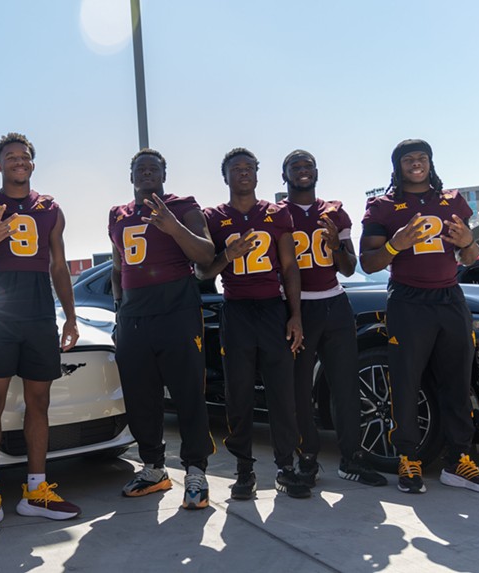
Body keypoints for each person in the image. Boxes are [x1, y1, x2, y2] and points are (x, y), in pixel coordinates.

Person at [360, 139, 479, 495]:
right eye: (408, 159)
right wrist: (396, 243)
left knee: (457, 381)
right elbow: (368, 262)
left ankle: (459, 461)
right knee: (406, 380)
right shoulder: (382, 206)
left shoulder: (452, 200)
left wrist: (470, 241)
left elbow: (469, 257)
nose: (416, 164)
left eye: (422, 158)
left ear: (431, 163)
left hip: (449, 297)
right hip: (408, 299)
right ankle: (408, 457)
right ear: (397, 166)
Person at [0, 132, 81, 536]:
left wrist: (69, 315)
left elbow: (59, 266)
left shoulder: (50, 209)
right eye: (10, 157)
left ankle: (35, 491)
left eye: (25, 157)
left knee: (39, 401)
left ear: (32, 164)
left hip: (38, 313)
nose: (19, 161)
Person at [196, 148, 309, 500]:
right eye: (236, 169)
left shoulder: (277, 214)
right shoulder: (213, 217)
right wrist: (226, 256)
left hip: (272, 309)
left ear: (258, 174)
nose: (243, 173)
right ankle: (244, 470)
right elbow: (202, 271)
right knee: (239, 393)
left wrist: (295, 315)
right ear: (225, 176)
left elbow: (290, 267)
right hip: (237, 309)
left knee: (282, 392)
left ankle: (285, 467)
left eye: (249, 168)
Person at [108, 148, 215, 509]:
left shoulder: (182, 206)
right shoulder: (118, 215)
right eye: (140, 168)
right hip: (134, 317)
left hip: (177, 311)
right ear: (131, 176)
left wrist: (173, 226)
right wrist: (119, 310)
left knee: (187, 395)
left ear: (164, 175)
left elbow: (204, 255)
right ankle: (154, 467)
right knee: (141, 398)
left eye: (154, 168)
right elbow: (117, 265)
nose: (147, 172)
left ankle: (196, 471)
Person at [279, 150, 387, 488]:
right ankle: (307, 458)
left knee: (345, 385)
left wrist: (334, 245)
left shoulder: (335, 212)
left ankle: (351, 457)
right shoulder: (276, 214)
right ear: (285, 175)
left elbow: (349, 267)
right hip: (297, 308)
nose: (302, 171)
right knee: (299, 389)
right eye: (295, 167)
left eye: (308, 165)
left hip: (335, 304)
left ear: (316, 171)